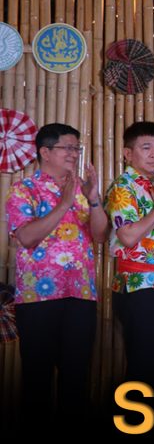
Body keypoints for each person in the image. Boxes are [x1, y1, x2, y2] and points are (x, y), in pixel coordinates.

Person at [6, 123, 108, 426]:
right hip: (38, 297)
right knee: (37, 378)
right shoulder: (24, 189)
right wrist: (64, 204)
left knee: (76, 377)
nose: (74, 154)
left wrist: (93, 199)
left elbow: (100, 236)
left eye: (77, 148)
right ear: (45, 152)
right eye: (67, 148)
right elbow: (27, 237)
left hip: (81, 294)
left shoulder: (82, 189)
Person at [105, 121, 154, 388]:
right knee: (144, 365)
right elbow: (127, 237)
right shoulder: (122, 186)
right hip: (138, 286)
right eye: (146, 147)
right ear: (128, 153)